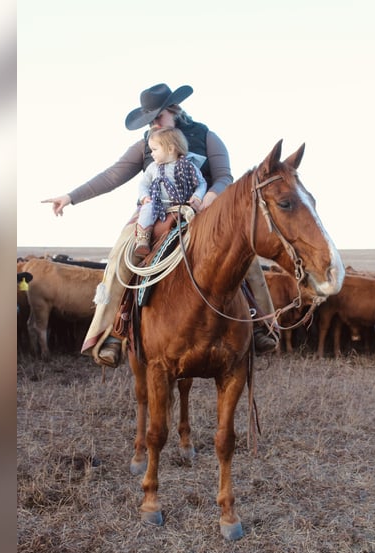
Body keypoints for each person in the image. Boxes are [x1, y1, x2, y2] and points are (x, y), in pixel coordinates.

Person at [42, 83, 278, 368]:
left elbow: (223, 176)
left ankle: (261, 323)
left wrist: (208, 199)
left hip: (201, 211)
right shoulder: (146, 144)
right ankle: (112, 332)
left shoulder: (206, 136)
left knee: (245, 255)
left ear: (174, 109)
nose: (153, 123)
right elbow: (112, 176)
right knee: (119, 257)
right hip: (153, 214)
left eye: (157, 116)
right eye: (149, 119)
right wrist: (70, 197)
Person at [133, 126, 207, 259]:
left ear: (171, 149)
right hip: (158, 204)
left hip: (183, 205)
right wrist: (145, 197)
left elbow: (201, 183)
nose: (152, 154)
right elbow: (143, 184)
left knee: (200, 218)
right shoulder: (153, 168)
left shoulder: (188, 166)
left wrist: (197, 196)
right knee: (147, 209)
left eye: (155, 150)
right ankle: (143, 238)